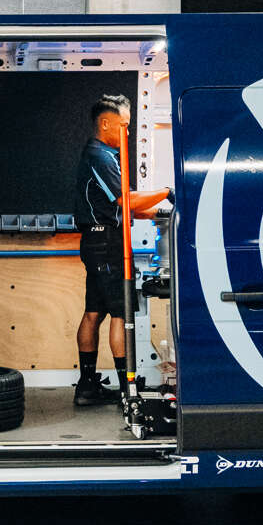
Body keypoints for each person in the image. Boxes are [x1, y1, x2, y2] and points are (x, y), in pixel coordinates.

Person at [71, 95, 169, 407]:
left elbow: (123, 205)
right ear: (105, 123)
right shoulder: (99, 156)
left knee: (93, 312)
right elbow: (125, 202)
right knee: (119, 314)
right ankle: (129, 390)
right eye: (123, 126)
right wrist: (168, 191)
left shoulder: (103, 155)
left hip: (96, 240)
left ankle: (87, 386)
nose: (126, 133)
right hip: (106, 243)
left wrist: (155, 213)